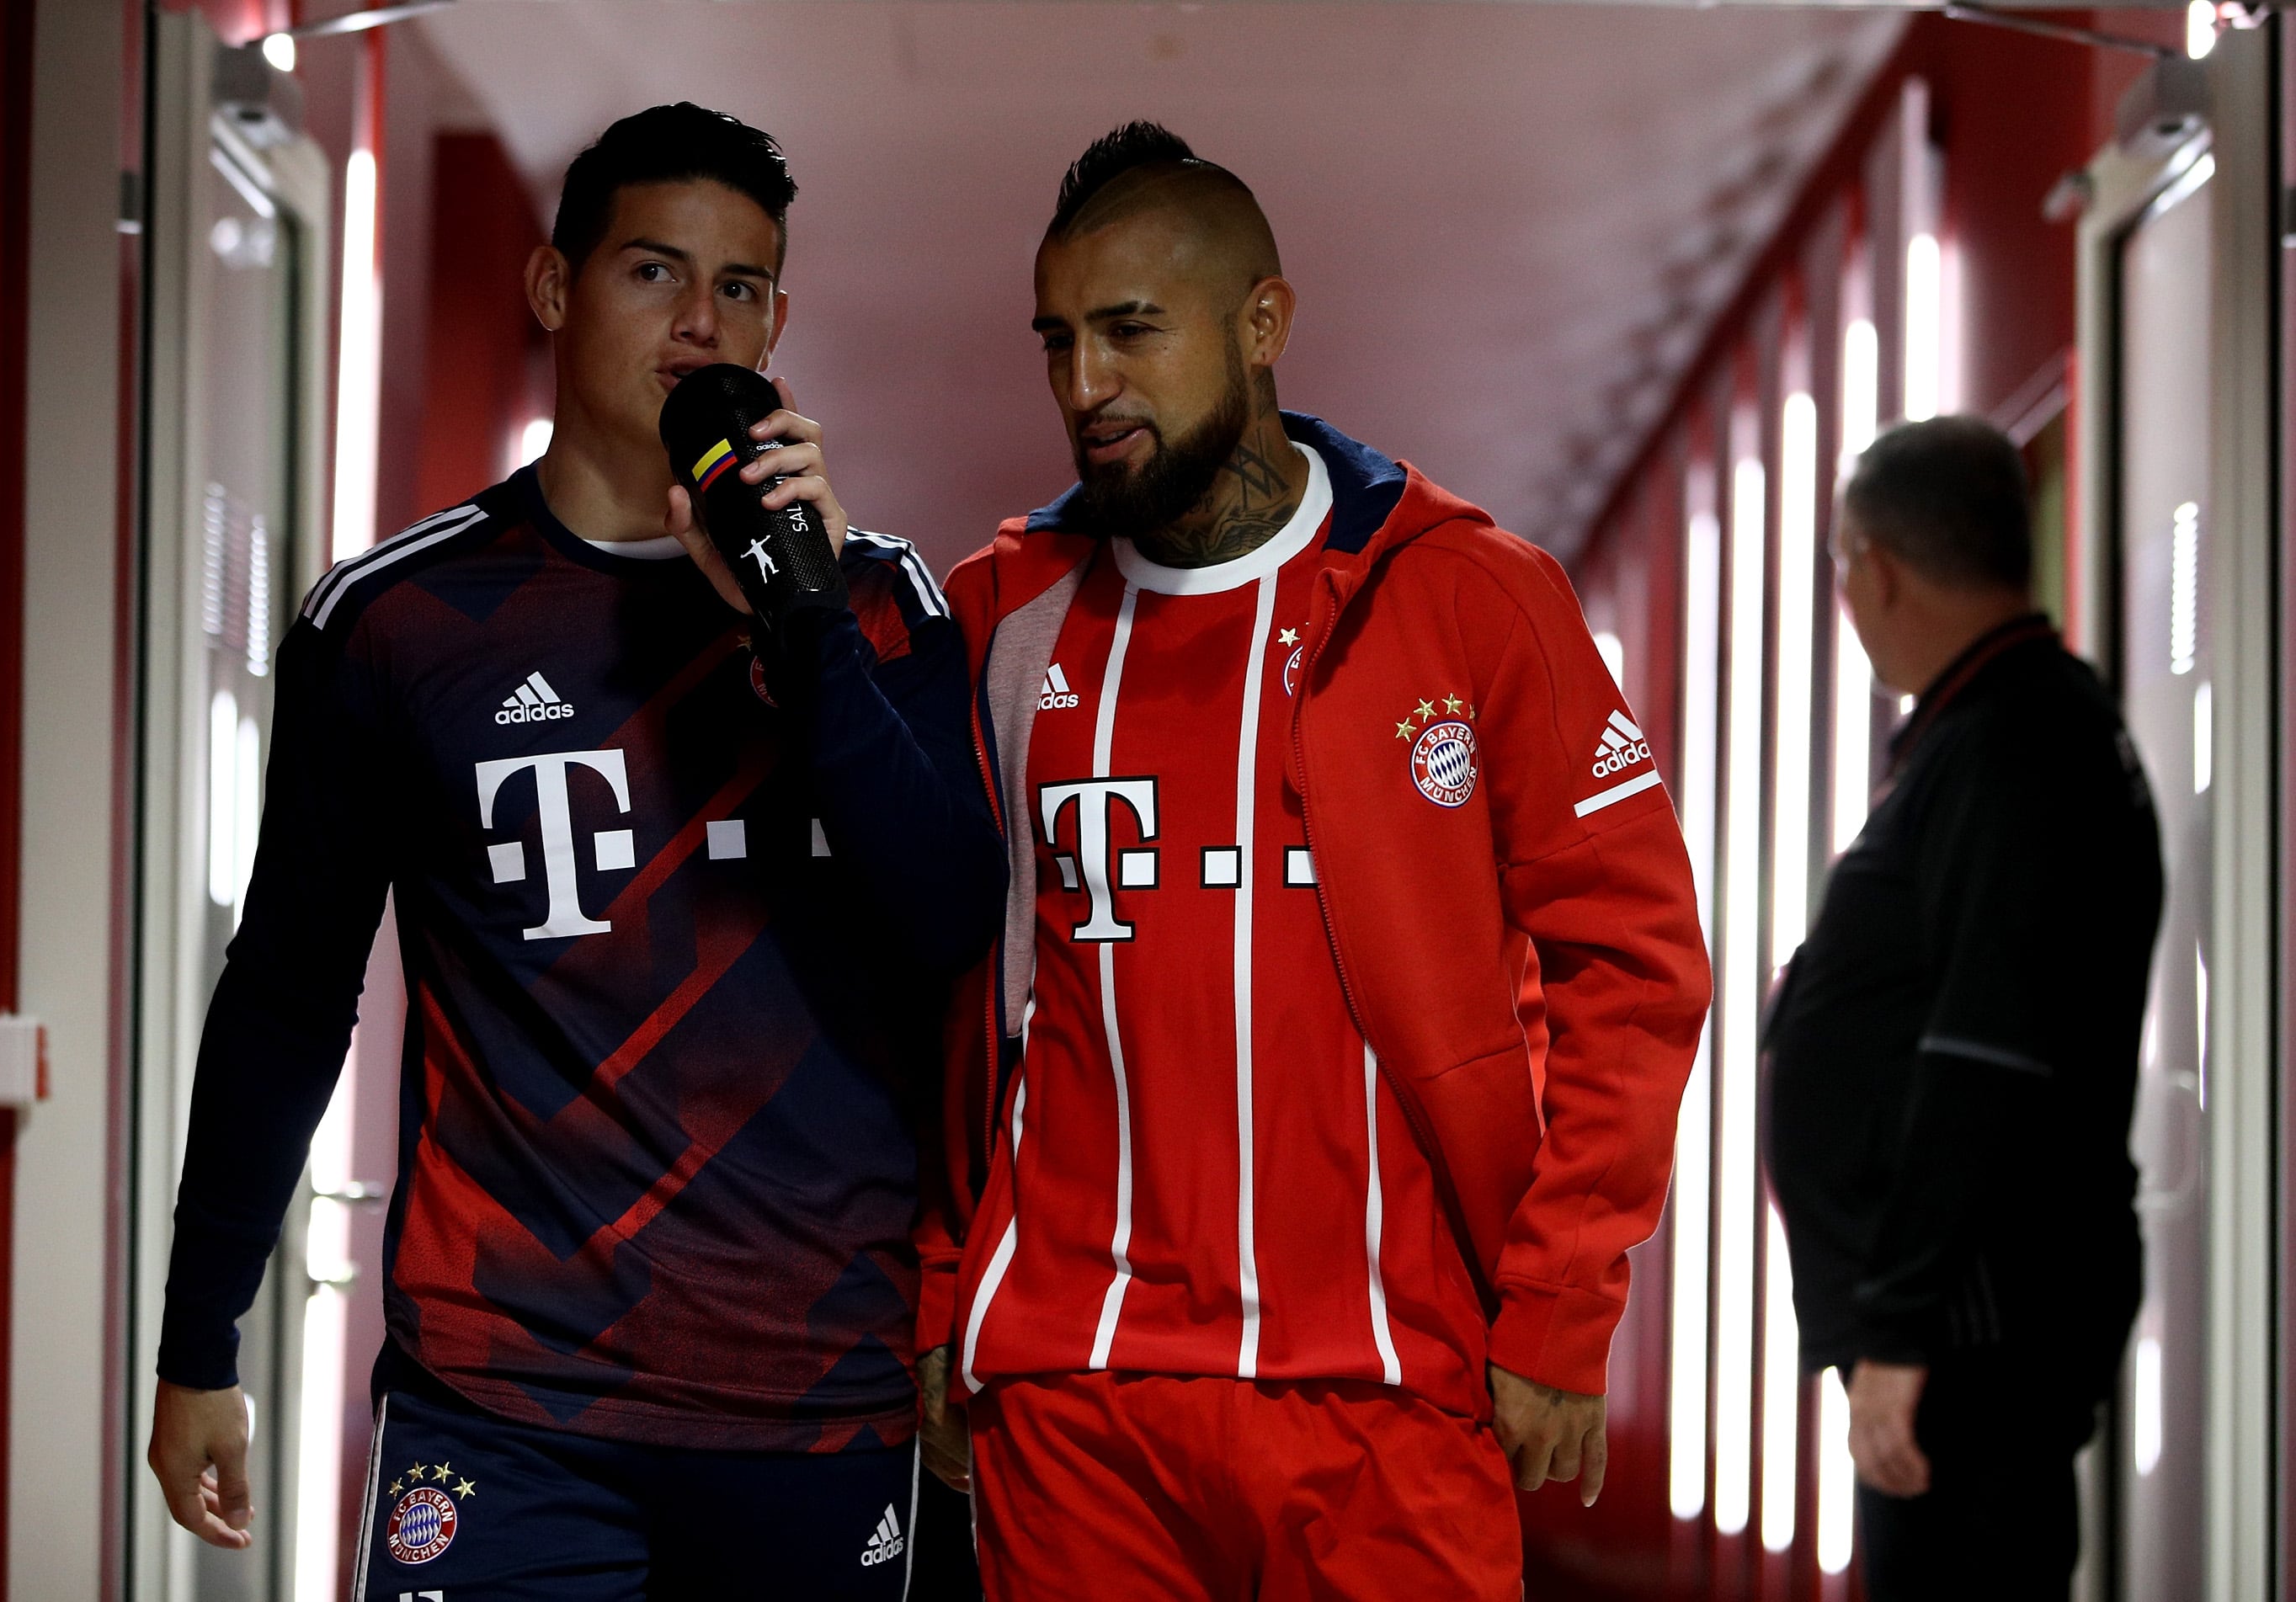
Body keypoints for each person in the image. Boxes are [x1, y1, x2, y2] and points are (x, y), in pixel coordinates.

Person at [146, 103, 1004, 1599]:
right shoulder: (399, 622)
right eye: (653, 273)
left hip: (808, 1392)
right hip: (506, 1404)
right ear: (554, 290)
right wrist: (200, 1332)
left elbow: (950, 927)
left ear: (780, 321)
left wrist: (798, 628)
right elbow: (288, 996)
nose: (699, 323)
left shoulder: (875, 603)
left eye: (741, 288)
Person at [910, 123, 1712, 1599]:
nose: (1088, 386)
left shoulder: (1471, 598)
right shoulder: (1001, 618)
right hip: (1076, 1396)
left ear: (1262, 324)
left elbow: (1642, 966)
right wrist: (942, 1296)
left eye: (1132, 332)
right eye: (1062, 342)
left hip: (1391, 1387)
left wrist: (1555, 1310)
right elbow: (944, 992)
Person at [1766, 417, 2161, 1600]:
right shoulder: (2005, 727)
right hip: (1961, 1328)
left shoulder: (2016, 742)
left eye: (1841, 564)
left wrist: (1896, 1330)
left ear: (1872, 565)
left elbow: (1983, 1051)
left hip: (1965, 1336)